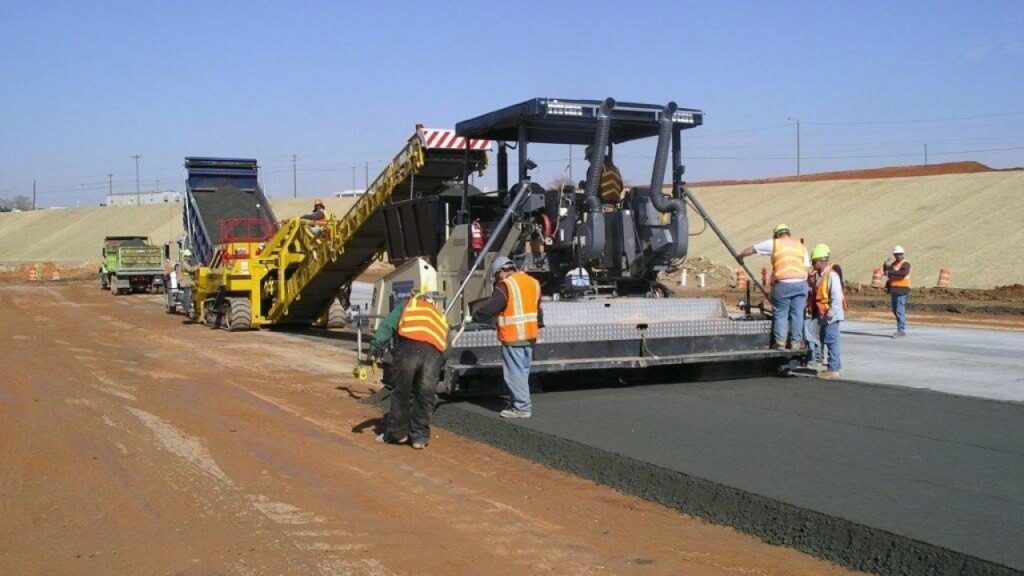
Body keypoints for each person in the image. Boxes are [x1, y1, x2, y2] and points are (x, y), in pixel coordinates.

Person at [369, 286, 449, 449]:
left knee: (402, 392)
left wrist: (374, 348)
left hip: (409, 349)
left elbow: (387, 326)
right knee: (425, 395)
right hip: (433, 355)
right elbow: (448, 345)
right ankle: (419, 438)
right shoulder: (438, 314)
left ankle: (398, 434)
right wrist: (440, 361)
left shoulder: (408, 305)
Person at [471, 256, 543, 418]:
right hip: (530, 335)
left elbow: (491, 308)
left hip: (514, 336)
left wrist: (475, 317)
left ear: (501, 271)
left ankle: (522, 408)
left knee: (514, 373)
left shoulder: (506, 285)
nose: (497, 280)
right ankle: (519, 402)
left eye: (496, 276)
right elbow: (538, 311)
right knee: (522, 372)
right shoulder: (533, 282)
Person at [738, 224, 810, 349]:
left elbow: (752, 249)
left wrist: (740, 256)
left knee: (781, 313)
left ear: (777, 235)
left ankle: (780, 343)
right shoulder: (800, 246)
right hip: (801, 284)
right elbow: (807, 267)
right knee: (797, 313)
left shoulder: (775, 243)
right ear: (788, 233)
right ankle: (796, 343)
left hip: (783, 284)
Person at [810, 244, 846, 380]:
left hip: (831, 315)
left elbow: (837, 296)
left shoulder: (831, 275)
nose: (812, 264)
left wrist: (831, 313)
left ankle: (833, 369)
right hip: (825, 314)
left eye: (814, 262)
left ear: (821, 261)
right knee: (829, 339)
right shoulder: (821, 276)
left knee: (831, 340)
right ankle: (836, 366)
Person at [884, 245, 911, 339]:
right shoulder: (894, 264)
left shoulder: (905, 264)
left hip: (902, 291)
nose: (897, 256)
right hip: (894, 290)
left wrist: (890, 271)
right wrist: (885, 266)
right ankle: (900, 328)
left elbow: (903, 274)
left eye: (899, 254)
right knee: (895, 311)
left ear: (902, 254)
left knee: (899, 311)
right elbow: (887, 273)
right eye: (896, 255)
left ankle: (901, 331)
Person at [178, 249, 197, 321]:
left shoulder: (185, 263)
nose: (190, 258)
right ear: (185, 257)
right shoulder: (185, 263)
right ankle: (187, 309)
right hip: (187, 282)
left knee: (188, 296)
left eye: (190, 256)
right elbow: (190, 269)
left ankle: (188, 310)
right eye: (188, 256)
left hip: (186, 281)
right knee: (187, 296)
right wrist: (198, 266)